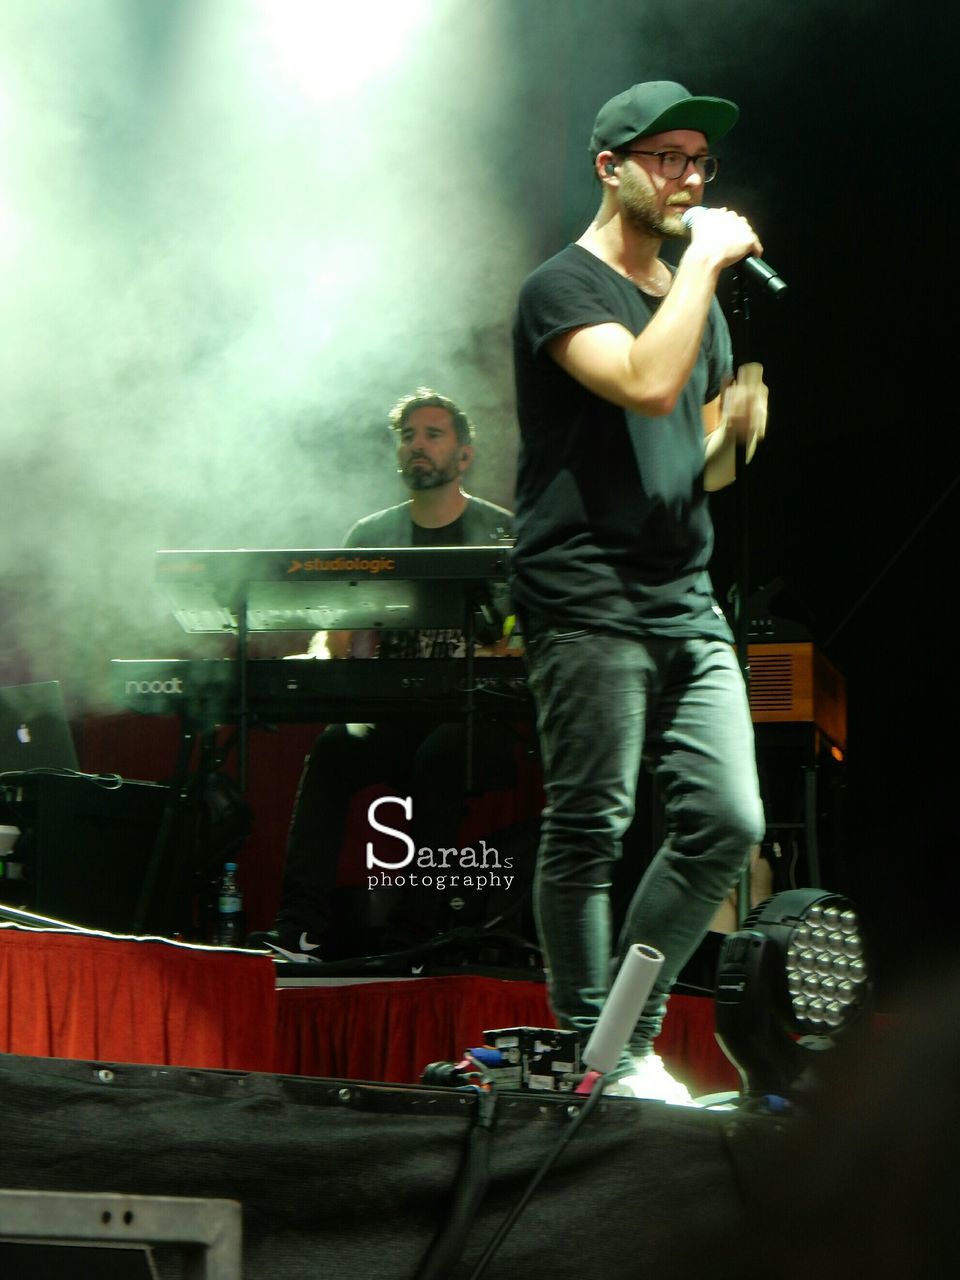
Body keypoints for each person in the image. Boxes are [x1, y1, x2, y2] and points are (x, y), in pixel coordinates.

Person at [510, 81, 768, 1103]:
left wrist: (730, 435)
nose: (691, 177)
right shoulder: (559, 288)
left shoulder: (685, 300)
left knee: (729, 820)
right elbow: (641, 384)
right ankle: (594, 1052)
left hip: (681, 592)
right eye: (666, 157)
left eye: (700, 160)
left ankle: (625, 1032)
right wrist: (704, 258)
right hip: (586, 589)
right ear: (607, 166)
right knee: (592, 822)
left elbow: (677, 454)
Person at [249, 388, 517, 961]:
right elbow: (338, 637)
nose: (417, 445)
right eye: (408, 436)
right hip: (393, 718)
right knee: (333, 751)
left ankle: (415, 937)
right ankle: (298, 930)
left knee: (440, 756)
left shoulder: (502, 535)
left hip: (475, 722)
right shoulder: (370, 537)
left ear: (464, 456)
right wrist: (320, 656)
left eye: (433, 435)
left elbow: (525, 643)